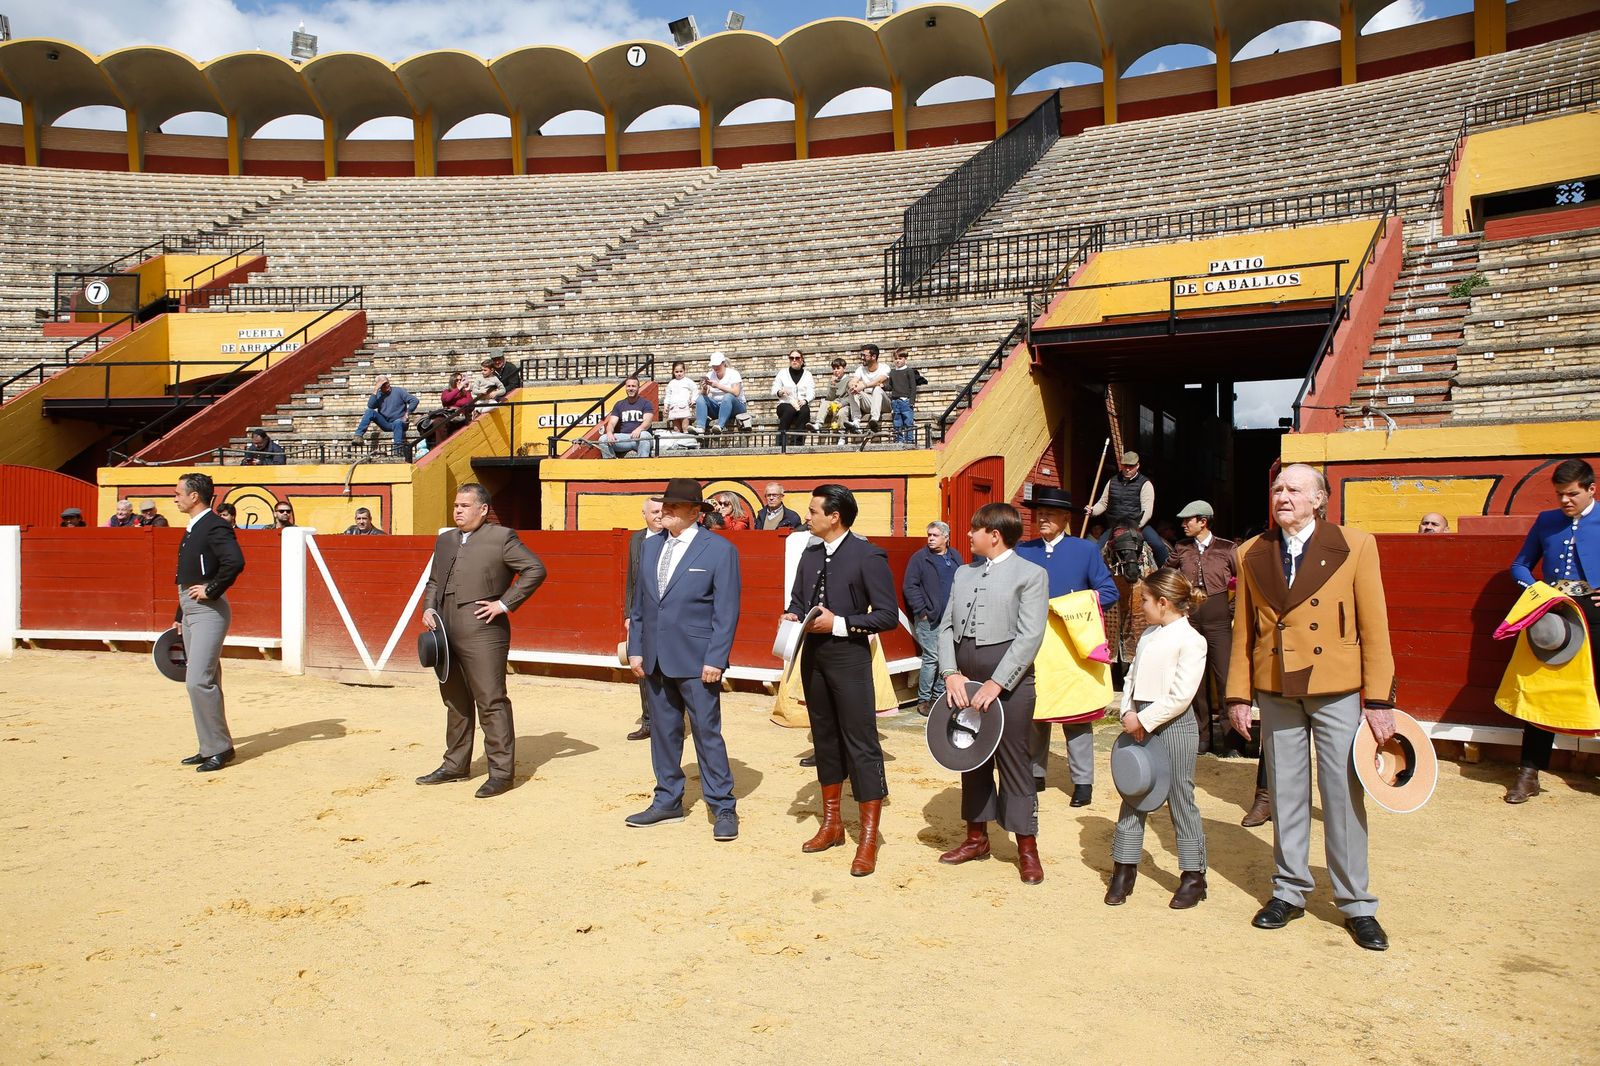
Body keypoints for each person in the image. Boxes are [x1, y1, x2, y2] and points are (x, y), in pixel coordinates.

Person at [1227, 463, 1397, 952]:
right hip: (1276, 685)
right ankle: (1289, 890)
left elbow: (1375, 625)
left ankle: (1356, 903)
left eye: (1295, 489)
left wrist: (1380, 698)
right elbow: (1244, 631)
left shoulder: (1356, 544)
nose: (1283, 495)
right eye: (1277, 487)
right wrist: (1239, 694)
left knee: (1343, 794)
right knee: (1286, 791)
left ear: (1320, 499)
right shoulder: (1250, 553)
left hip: (1336, 685)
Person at [785, 484, 898, 876]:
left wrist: (840, 624)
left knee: (862, 743)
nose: (808, 516)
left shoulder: (867, 555)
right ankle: (832, 824)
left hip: (849, 658)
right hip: (812, 658)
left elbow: (886, 615)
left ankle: (867, 840)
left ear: (835, 516)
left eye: (814, 511)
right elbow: (799, 600)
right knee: (825, 740)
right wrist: (790, 614)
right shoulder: (810, 552)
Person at [937, 503, 1050, 884]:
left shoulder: (1031, 574)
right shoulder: (963, 574)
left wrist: (998, 682)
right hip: (966, 675)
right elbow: (945, 627)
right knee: (971, 753)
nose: (968, 535)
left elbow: (1031, 635)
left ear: (994, 534)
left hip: (1010, 681)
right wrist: (951, 673)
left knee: (1015, 758)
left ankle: (1027, 848)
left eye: (974, 529)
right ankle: (976, 837)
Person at [625, 479, 742, 840]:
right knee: (663, 732)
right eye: (664, 506)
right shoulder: (650, 547)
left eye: (674, 507)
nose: (665, 512)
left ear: (695, 513)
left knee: (707, 733)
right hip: (656, 657)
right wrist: (635, 647)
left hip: (697, 659)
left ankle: (723, 806)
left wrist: (716, 659)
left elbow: (726, 611)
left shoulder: (719, 550)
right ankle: (667, 801)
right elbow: (641, 603)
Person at [415, 484, 547, 799]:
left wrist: (504, 603)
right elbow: (434, 580)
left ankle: (501, 773)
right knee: (455, 699)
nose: (458, 511)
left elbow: (534, 569)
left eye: (464, 505)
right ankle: (455, 765)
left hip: (484, 629)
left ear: (483, 509)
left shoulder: (501, 537)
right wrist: (429, 607)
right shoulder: (445, 540)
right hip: (446, 627)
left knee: (491, 699)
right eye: (456, 505)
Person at [1105, 569, 1211, 908]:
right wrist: (1126, 710)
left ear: (1163, 602)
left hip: (1173, 724)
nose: (1142, 608)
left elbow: (1181, 696)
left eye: (1146, 601)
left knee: (1181, 794)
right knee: (1134, 791)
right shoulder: (1149, 634)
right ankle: (1124, 867)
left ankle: (1193, 875)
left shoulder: (1192, 640)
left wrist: (1143, 719)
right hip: (1139, 719)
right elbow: (1132, 677)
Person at [1504, 457, 1600, 804]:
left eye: (1572, 494)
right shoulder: (1547, 522)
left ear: (1591, 489)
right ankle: (1529, 774)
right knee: (1541, 691)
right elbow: (1520, 565)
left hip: (1595, 614)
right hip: (1553, 614)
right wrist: (1537, 592)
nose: (1564, 501)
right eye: (1559, 494)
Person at [1015, 487, 1118, 806]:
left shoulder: (1085, 551)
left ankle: (1083, 782)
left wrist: (1072, 605)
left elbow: (1108, 592)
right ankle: (1034, 773)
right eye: (1038, 512)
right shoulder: (1022, 551)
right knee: (1035, 711)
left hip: (1073, 645)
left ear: (1065, 518)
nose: (1041, 517)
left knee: (1076, 716)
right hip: (1035, 644)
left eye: (1049, 513)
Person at [170, 472, 245, 774]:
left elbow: (235, 561)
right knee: (206, 679)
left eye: (178, 493)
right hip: (192, 610)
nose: (175, 497)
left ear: (194, 496)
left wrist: (212, 589)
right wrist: (180, 614)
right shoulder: (195, 527)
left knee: (198, 680)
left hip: (208, 610)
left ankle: (220, 749)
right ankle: (209, 746)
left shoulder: (214, 525)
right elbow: (186, 577)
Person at [1164, 501, 1240, 758]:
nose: (1183, 524)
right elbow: (1166, 576)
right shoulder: (1181, 548)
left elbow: (1245, 581)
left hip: (1219, 619)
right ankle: (1201, 737)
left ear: (1203, 521)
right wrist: (1177, 606)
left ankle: (1232, 741)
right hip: (1191, 618)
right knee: (1194, 678)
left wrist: (1232, 609)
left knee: (1225, 678)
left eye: (1188, 520)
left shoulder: (1227, 548)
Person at [903, 520, 965, 715]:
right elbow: (909, 586)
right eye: (929, 535)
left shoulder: (955, 556)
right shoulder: (920, 558)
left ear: (946, 537)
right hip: (929, 618)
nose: (930, 538)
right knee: (932, 657)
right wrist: (921, 611)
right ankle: (924, 700)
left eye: (935, 535)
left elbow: (963, 580)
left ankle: (939, 696)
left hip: (951, 617)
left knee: (946, 658)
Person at [624, 498, 665, 741]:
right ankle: (648, 720)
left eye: (663, 510)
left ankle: (671, 722)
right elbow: (632, 579)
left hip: (665, 613)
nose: (660, 515)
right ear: (644, 514)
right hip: (643, 613)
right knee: (642, 667)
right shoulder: (637, 539)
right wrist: (629, 614)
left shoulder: (671, 538)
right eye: (655, 511)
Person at [1091, 451, 1170, 567]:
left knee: (1159, 547)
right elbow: (1103, 503)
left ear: (1138, 466)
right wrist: (1092, 510)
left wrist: (1134, 527)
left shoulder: (1145, 483)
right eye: (1125, 466)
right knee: (1096, 551)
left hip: (1139, 525)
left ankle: (1164, 576)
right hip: (1116, 525)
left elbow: (1147, 511)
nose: (1127, 469)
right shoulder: (1112, 481)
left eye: (1131, 466)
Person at [353, 375, 420, 453]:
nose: (387, 385)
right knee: (369, 411)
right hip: (386, 424)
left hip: (400, 422)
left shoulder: (399, 391)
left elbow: (414, 400)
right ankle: (358, 435)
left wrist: (407, 414)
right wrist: (375, 390)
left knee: (397, 422)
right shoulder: (378, 394)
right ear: (379, 386)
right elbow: (371, 406)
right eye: (383, 384)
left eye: (387, 383)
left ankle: (397, 451)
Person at [598, 376, 657, 459]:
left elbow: (648, 421)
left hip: (641, 438)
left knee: (644, 436)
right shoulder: (619, 404)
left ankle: (642, 466)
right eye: (628, 386)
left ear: (638, 388)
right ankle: (610, 465)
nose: (631, 388)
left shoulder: (646, 403)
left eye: (633, 386)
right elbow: (611, 423)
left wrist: (639, 429)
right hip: (625, 438)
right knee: (603, 439)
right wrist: (609, 433)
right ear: (625, 388)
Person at [693, 353, 748, 434]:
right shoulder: (710, 375)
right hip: (718, 407)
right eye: (713, 365)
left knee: (728, 397)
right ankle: (700, 427)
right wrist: (704, 388)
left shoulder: (733, 373)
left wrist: (718, 386)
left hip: (735, 406)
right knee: (701, 398)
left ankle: (720, 426)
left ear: (723, 363)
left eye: (717, 365)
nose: (715, 368)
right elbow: (705, 394)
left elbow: (736, 392)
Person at [771, 349, 816, 450]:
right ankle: (780, 442)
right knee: (789, 409)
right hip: (785, 404)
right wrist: (780, 392)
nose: (794, 360)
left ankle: (796, 442)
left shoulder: (807, 374)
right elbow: (774, 390)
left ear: (802, 360)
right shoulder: (782, 373)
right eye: (791, 358)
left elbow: (811, 392)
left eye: (797, 358)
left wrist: (805, 401)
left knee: (805, 410)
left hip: (800, 404)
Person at [845, 344, 889, 433]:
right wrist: (853, 385)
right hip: (869, 402)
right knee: (852, 391)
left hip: (884, 404)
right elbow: (853, 380)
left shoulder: (884, 367)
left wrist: (863, 385)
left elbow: (879, 381)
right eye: (861, 355)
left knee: (877, 388)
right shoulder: (860, 369)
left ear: (874, 356)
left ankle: (874, 420)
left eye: (864, 355)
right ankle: (856, 422)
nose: (862, 358)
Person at [885, 347, 923, 445]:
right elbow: (890, 386)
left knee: (908, 421)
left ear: (905, 359)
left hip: (905, 401)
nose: (898, 361)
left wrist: (911, 401)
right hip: (895, 401)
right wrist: (883, 386)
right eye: (896, 359)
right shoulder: (892, 372)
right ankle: (899, 439)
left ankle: (909, 440)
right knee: (897, 422)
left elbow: (913, 387)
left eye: (900, 358)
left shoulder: (909, 371)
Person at [815, 357, 851, 434]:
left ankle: (842, 435)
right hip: (834, 404)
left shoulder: (849, 380)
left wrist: (842, 404)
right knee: (825, 403)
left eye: (838, 368)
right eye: (834, 368)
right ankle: (818, 424)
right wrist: (833, 385)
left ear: (844, 368)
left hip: (844, 405)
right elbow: (830, 398)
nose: (836, 370)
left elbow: (850, 397)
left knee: (842, 413)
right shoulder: (832, 381)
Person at [661, 360, 696, 434]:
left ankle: (687, 441)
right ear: (673, 372)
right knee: (676, 429)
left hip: (684, 406)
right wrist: (666, 406)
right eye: (676, 372)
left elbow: (695, 389)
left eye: (681, 371)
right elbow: (668, 395)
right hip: (674, 408)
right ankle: (679, 442)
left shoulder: (688, 381)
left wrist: (693, 399)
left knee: (685, 427)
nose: (679, 374)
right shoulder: (671, 383)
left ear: (684, 371)